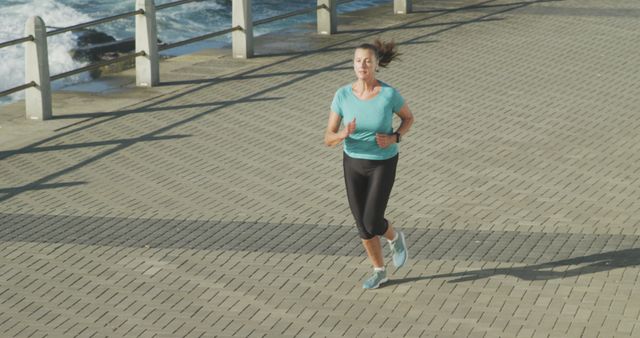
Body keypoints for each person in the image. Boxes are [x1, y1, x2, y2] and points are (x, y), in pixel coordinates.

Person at [324, 39, 415, 289]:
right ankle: (379, 271)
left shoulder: (388, 94)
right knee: (362, 225)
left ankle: (395, 237)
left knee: (373, 221)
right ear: (353, 64)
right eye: (358, 60)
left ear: (376, 65)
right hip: (352, 162)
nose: (362, 65)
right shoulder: (342, 95)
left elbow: (408, 118)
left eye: (367, 61)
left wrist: (395, 137)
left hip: (382, 163)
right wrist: (342, 134)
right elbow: (328, 137)